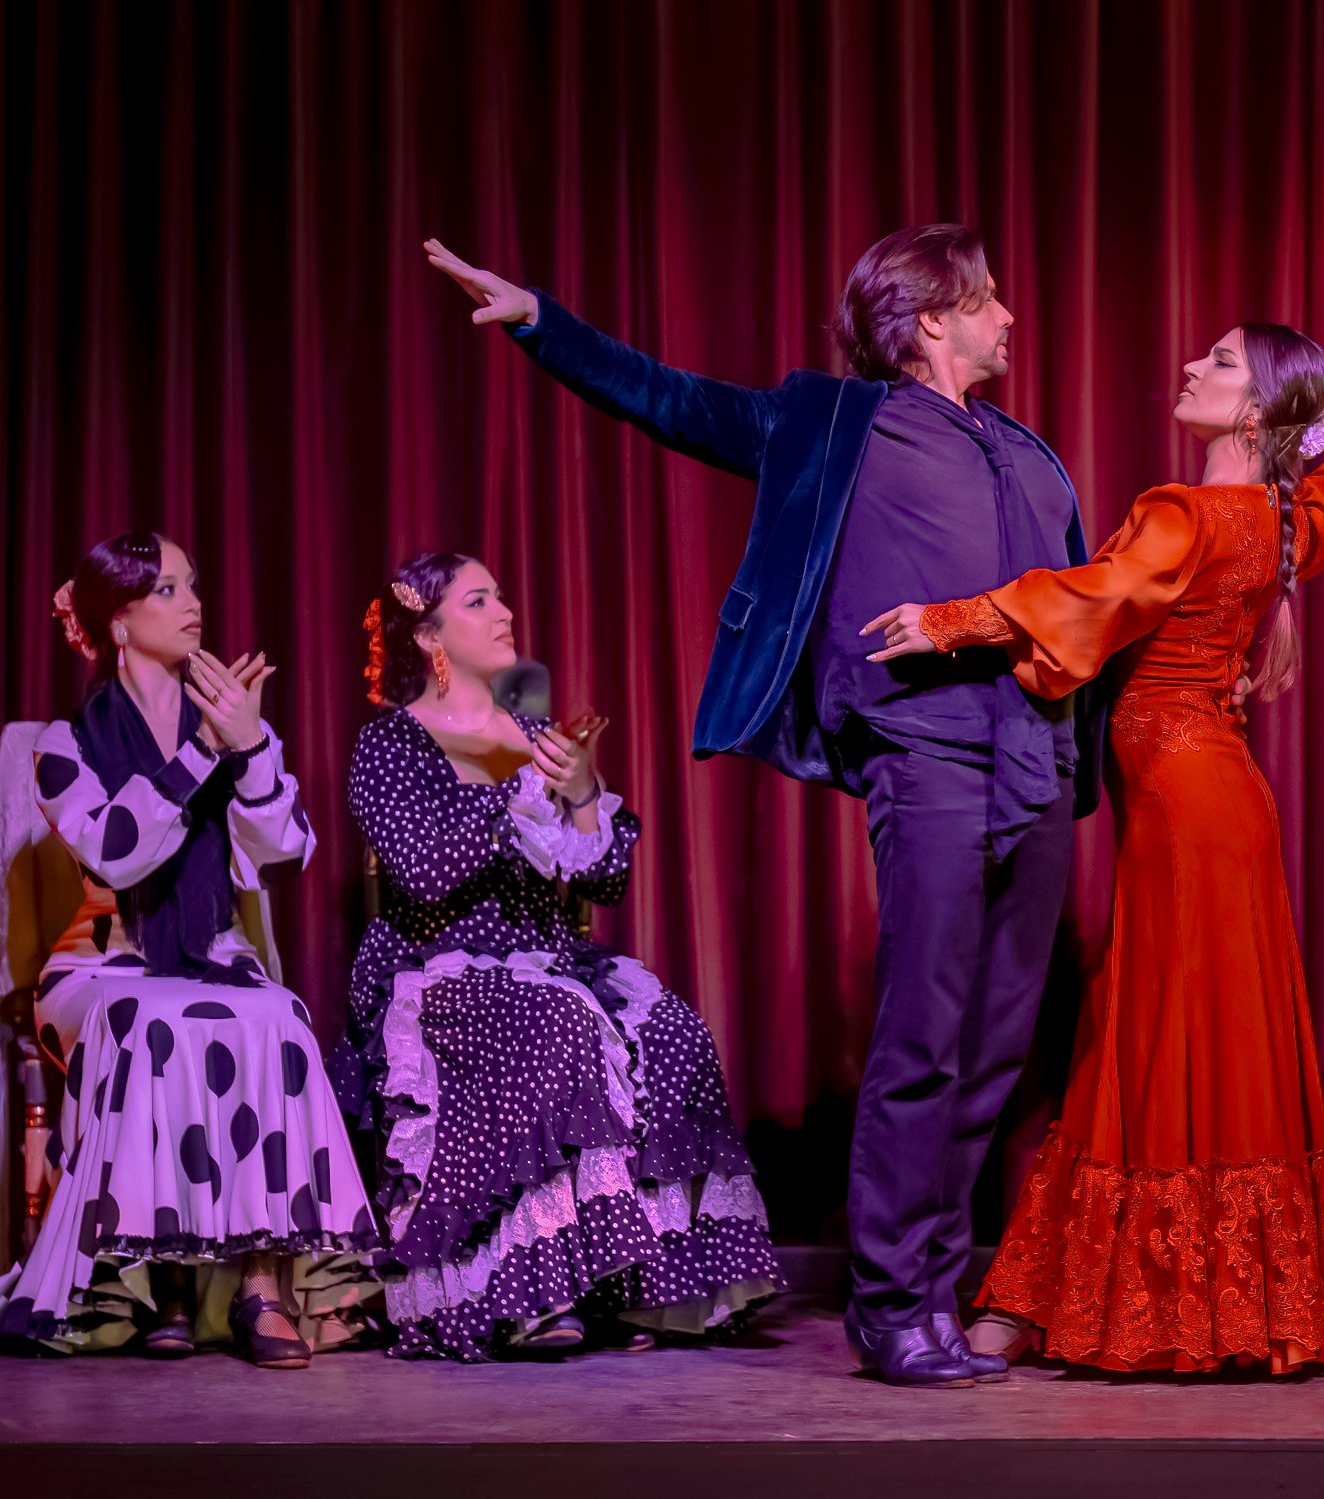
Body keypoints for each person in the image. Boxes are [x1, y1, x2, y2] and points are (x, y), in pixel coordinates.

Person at [426, 224, 1096, 1386]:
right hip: (925, 753)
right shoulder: (835, 422)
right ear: (930, 317)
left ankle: (936, 1292)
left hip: (1037, 763)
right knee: (925, 1035)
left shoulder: (1027, 450)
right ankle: (891, 1306)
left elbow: (1090, 597)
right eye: (986, 297)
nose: (1006, 315)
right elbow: (674, 401)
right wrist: (543, 322)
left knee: (995, 1050)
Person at [865, 198, 1324, 1373]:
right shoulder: (1290, 516)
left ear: (1256, 408)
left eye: (1222, 361)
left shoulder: (1187, 514)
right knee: (1172, 1031)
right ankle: (1143, 1297)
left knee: (1154, 1033)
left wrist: (953, 618)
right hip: (1214, 799)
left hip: (1188, 804)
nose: (1193, 365)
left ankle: (1095, 1303)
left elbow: (1092, 596)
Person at [336, 552, 781, 1361]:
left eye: (501, 596)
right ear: (430, 635)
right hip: (439, 965)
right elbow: (425, 872)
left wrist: (579, 792)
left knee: (674, 1031)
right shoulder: (391, 743)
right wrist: (512, 795)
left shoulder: (534, 729)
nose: (505, 612)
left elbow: (605, 878)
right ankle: (530, 1288)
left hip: (553, 960)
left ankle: (646, 1282)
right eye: (479, 601)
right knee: (554, 1025)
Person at [0, 532, 376, 1367]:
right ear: (119, 623)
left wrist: (250, 746)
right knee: (149, 1022)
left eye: (192, 583)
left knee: (279, 1017)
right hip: (105, 960)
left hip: (211, 949)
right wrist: (205, 750)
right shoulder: (64, 744)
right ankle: (159, 1284)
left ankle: (261, 1286)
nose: (194, 601)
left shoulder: (230, 724)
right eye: (167, 589)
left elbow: (283, 848)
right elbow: (118, 853)